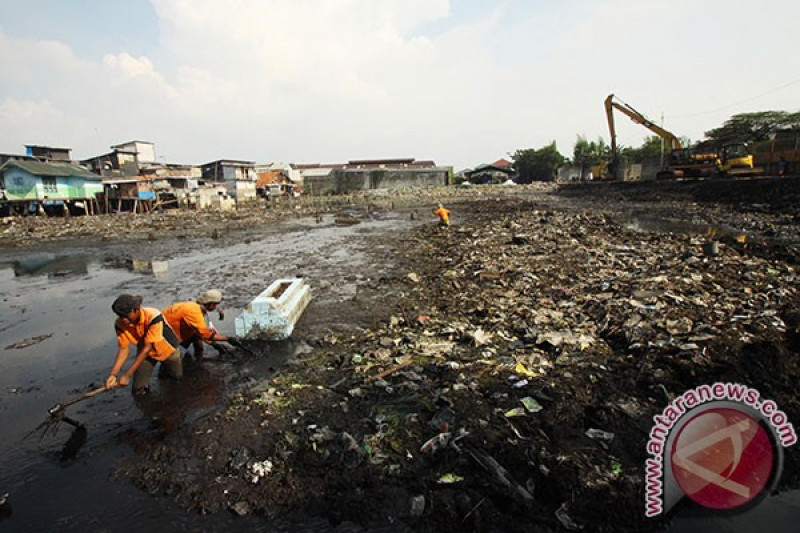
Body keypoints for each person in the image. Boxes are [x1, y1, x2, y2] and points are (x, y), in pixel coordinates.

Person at [106, 294, 182, 395]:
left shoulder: (153, 316)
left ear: (136, 310)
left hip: (167, 349)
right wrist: (113, 374)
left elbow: (147, 347)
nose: (124, 319)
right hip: (146, 353)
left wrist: (127, 375)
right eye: (120, 316)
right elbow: (124, 349)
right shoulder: (120, 324)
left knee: (176, 378)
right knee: (138, 388)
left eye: (126, 315)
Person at [162, 289, 232, 359]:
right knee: (174, 360)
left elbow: (199, 331)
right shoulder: (194, 312)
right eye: (215, 304)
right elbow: (205, 334)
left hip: (173, 327)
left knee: (197, 336)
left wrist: (214, 344)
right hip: (165, 334)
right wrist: (228, 339)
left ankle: (198, 356)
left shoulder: (195, 306)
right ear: (210, 303)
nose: (215, 307)